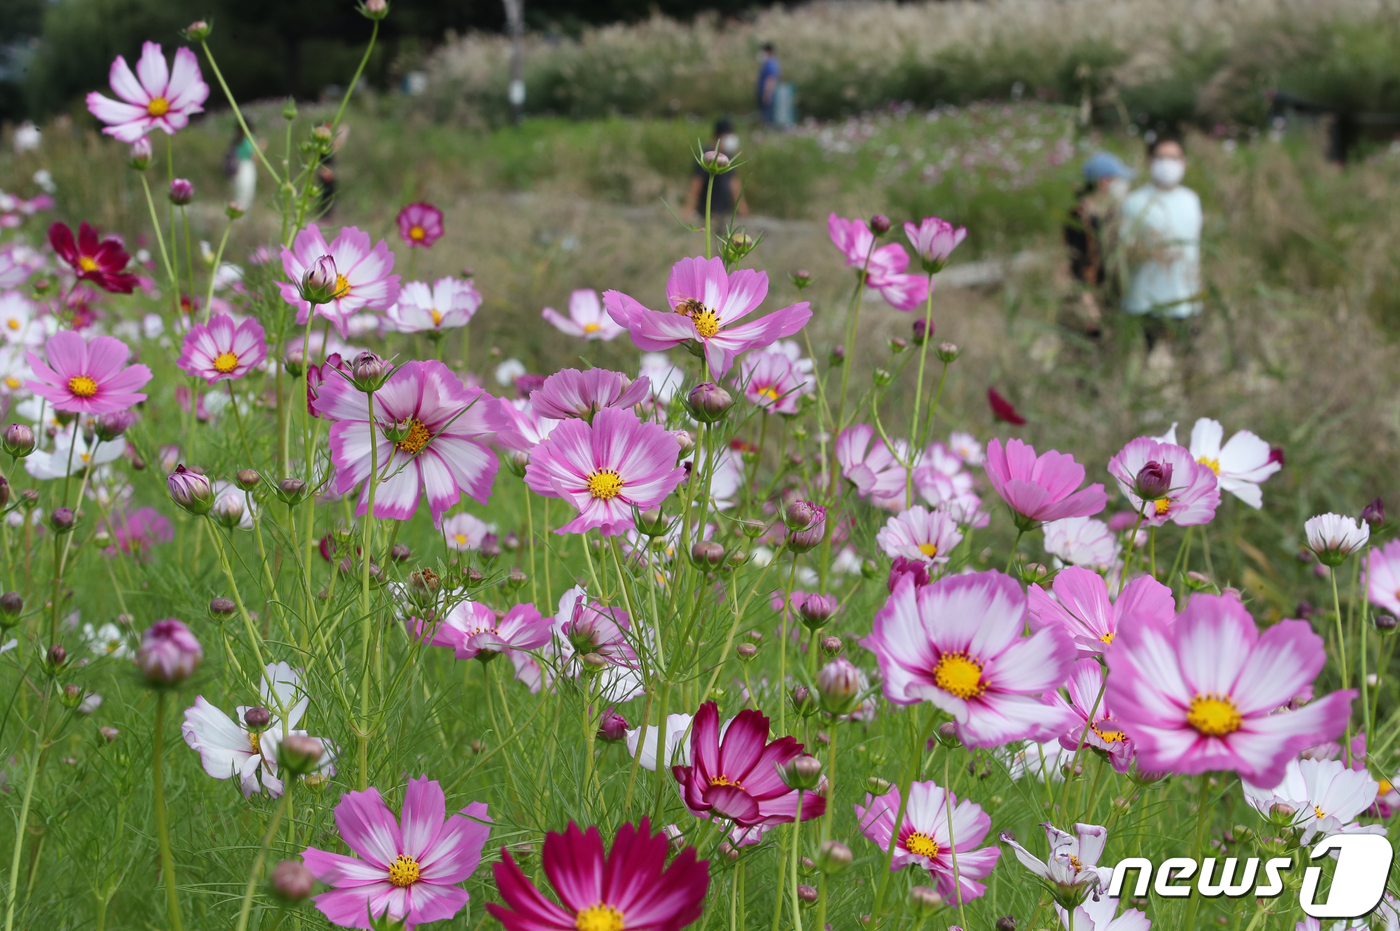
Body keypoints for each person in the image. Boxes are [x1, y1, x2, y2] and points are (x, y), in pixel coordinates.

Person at [1119, 136, 1203, 340]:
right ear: (1149, 161)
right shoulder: (1134, 201)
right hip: (1144, 302)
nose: (1168, 164)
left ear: (1184, 162)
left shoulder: (1191, 199)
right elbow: (1123, 252)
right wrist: (1153, 253)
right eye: (1161, 157)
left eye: (1174, 158)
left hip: (1185, 301)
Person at [1063, 151, 1135, 337]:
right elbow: (1079, 265)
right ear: (1104, 182)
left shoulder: (1110, 214)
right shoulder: (1081, 218)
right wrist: (1090, 309)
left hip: (1113, 297)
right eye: (1118, 179)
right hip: (1096, 303)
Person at [684, 119, 747, 221]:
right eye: (728, 134)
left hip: (724, 213)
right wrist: (689, 209)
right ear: (719, 135)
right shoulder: (705, 155)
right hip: (706, 213)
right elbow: (696, 183)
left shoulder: (728, 156)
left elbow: (735, 184)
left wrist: (743, 210)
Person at [224, 122, 259, 212]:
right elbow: (255, 157)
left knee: (238, 192)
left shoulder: (237, 137)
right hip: (247, 166)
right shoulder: (250, 137)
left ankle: (235, 210)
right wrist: (262, 146)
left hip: (237, 166)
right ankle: (243, 214)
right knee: (246, 193)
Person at [756, 42, 780, 126]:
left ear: (768, 51)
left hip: (767, 93)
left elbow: (771, 80)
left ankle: (768, 130)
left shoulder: (771, 64)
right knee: (764, 114)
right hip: (764, 93)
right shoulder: (767, 63)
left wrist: (767, 94)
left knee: (767, 115)